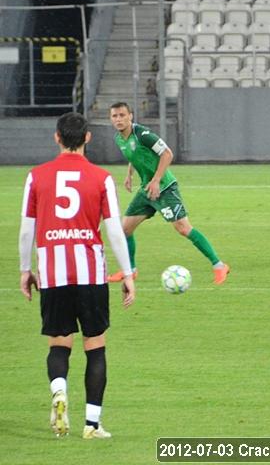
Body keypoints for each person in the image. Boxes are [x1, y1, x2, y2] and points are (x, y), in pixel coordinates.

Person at [19, 112, 136, 439]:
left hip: (53, 273)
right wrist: (127, 273)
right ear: (87, 138)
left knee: (59, 345)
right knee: (95, 347)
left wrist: (25, 270)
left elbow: (27, 230)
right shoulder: (101, 178)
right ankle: (92, 424)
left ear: (57, 138)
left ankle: (59, 391)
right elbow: (114, 229)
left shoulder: (36, 176)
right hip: (90, 273)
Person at [107, 102, 230, 284]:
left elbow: (167, 154)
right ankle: (130, 270)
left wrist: (156, 180)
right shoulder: (119, 138)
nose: (118, 119)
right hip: (147, 189)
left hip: (164, 187)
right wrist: (129, 174)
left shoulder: (143, 135)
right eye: (115, 116)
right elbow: (134, 156)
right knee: (125, 229)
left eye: (122, 115)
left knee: (183, 228)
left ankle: (219, 265)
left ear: (130, 116)